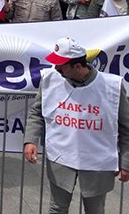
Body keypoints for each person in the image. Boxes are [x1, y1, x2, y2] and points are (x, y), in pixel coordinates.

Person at [24, 37, 129, 214]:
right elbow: (37, 112)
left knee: (94, 210)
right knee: (57, 207)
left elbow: (126, 127)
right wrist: (30, 140)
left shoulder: (112, 87)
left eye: (61, 65)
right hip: (61, 155)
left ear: (78, 66)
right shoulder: (51, 79)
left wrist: (125, 161)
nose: (56, 68)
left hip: (97, 160)